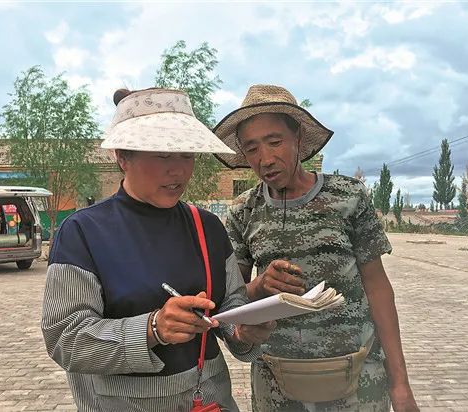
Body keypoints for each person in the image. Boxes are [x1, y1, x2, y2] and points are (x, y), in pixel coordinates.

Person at [41, 87, 275, 412]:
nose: (178, 170)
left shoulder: (207, 227)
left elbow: (229, 304)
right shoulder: (83, 232)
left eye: (187, 155)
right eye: (163, 155)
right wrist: (153, 328)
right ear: (123, 156)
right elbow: (65, 338)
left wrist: (243, 328)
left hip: (209, 401)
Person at [213, 85, 419, 411]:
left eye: (275, 141)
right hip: (278, 384)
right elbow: (230, 301)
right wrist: (261, 286)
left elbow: (378, 289)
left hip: (358, 377)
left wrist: (400, 384)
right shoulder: (243, 211)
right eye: (251, 148)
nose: (265, 159)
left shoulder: (348, 197)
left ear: (297, 136)